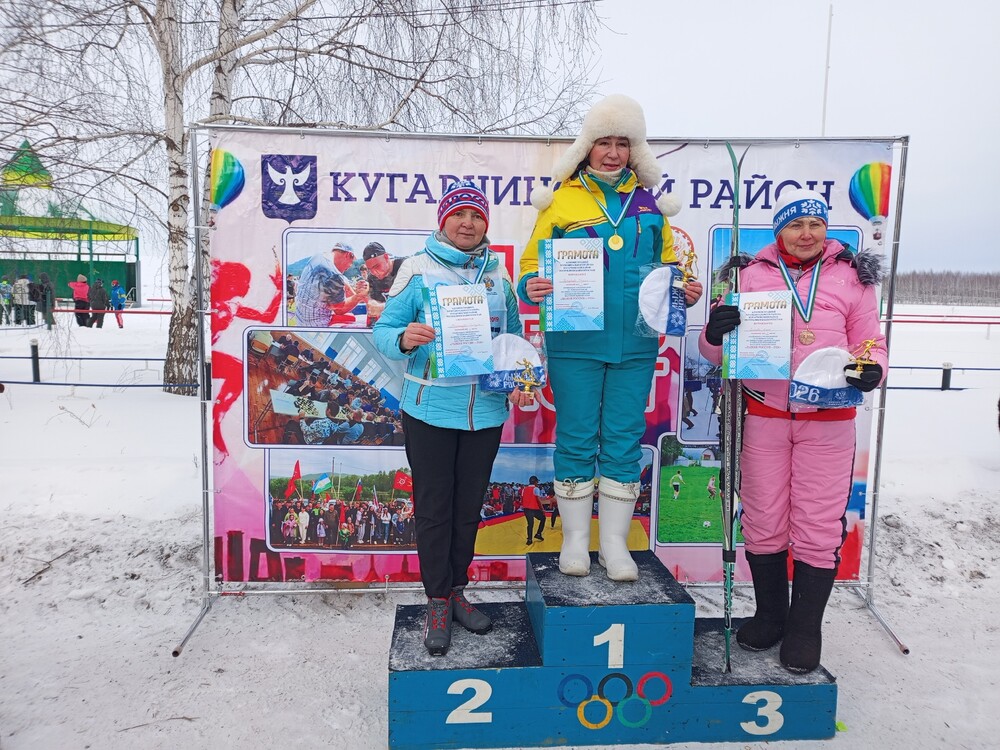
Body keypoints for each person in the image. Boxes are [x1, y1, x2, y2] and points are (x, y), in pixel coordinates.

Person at [699, 188, 887, 674]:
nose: (806, 234)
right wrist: (715, 333)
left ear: (826, 229)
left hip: (829, 421)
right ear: (778, 232)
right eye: (795, 225)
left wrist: (873, 370)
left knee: (818, 524)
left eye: (815, 225)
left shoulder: (853, 277)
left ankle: (804, 629)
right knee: (763, 518)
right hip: (765, 415)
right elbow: (716, 354)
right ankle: (770, 615)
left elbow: (871, 343)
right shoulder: (747, 275)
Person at [518, 94, 704, 582]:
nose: (613, 153)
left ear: (635, 150)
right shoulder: (561, 200)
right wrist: (531, 283)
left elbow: (669, 265)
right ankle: (576, 540)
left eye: (623, 143)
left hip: (636, 343)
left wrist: (683, 288)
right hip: (575, 342)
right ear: (588, 146)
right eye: (605, 142)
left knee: (623, 440)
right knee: (577, 437)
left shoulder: (650, 203)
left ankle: (615, 544)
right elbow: (532, 263)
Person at [373, 179, 533, 656]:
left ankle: (457, 589)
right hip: (430, 410)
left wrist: (520, 376)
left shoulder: (498, 273)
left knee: (468, 509)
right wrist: (404, 338)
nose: (468, 223)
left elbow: (513, 337)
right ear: (443, 220)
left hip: (485, 412)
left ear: (486, 223)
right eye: (459, 214)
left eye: (477, 215)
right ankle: (437, 600)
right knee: (435, 510)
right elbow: (383, 330)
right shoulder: (416, 268)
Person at [294, 243, 369, 326]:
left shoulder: (318, 257)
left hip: (301, 320)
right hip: (318, 325)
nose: (350, 266)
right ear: (348, 255)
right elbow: (339, 309)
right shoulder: (334, 275)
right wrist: (359, 296)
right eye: (351, 262)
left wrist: (352, 290)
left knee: (350, 317)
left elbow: (344, 289)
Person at [362, 242, 405, 323]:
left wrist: (383, 308)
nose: (374, 272)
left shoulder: (405, 268)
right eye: (370, 269)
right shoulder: (372, 277)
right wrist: (370, 302)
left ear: (386, 257)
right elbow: (374, 302)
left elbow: (413, 301)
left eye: (376, 266)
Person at [520, 475, 549, 545]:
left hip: (527, 509)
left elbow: (522, 499)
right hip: (534, 509)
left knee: (530, 524)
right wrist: (542, 509)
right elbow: (538, 500)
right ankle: (538, 533)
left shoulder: (524, 489)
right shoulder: (536, 489)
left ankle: (530, 539)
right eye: (537, 482)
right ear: (535, 482)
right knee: (543, 518)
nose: (537, 483)